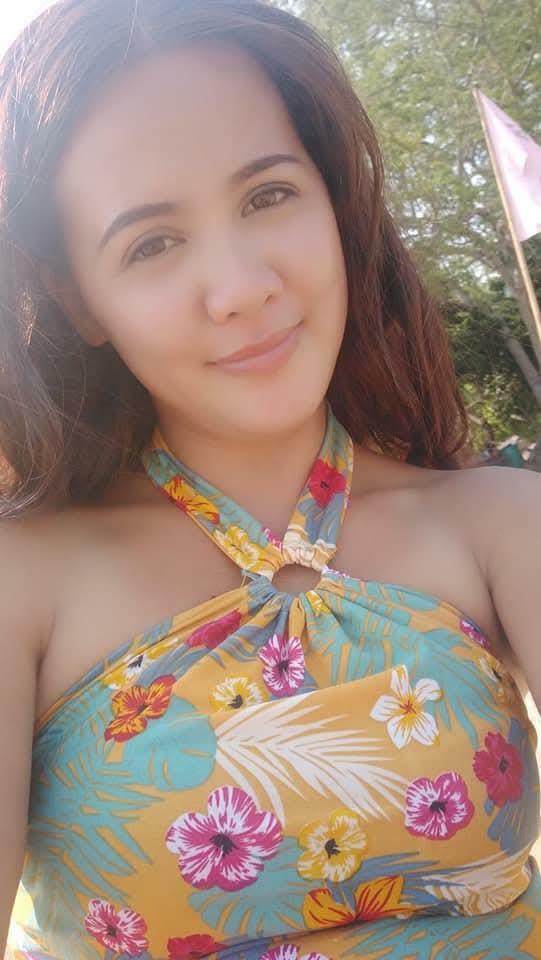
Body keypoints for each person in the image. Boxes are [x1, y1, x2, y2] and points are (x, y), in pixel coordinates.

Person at [0, 1, 539, 958]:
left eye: (267, 196)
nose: (242, 287)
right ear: (79, 299)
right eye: (151, 244)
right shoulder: (21, 578)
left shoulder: (501, 524)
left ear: (333, 202)